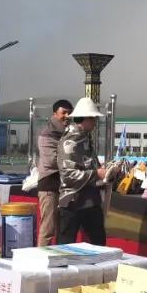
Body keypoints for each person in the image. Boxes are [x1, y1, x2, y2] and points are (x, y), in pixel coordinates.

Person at [57, 98, 109, 245]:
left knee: (98, 243)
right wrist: (97, 174)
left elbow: (89, 164)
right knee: (66, 247)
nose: (95, 122)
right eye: (93, 118)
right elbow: (68, 175)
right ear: (85, 119)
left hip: (90, 201)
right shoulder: (70, 140)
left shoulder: (85, 137)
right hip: (72, 201)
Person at [37, 99, 72, 246]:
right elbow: (51, 161)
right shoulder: (47, 134)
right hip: (49, 186)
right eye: (64, 112)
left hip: (62, 187)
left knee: (61, 229)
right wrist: (73, 161)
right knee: (48, 228)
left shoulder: (67, 133)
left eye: (69, 113)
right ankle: (40, 256)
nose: (67, 116)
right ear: (54, 114)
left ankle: (57, 257)